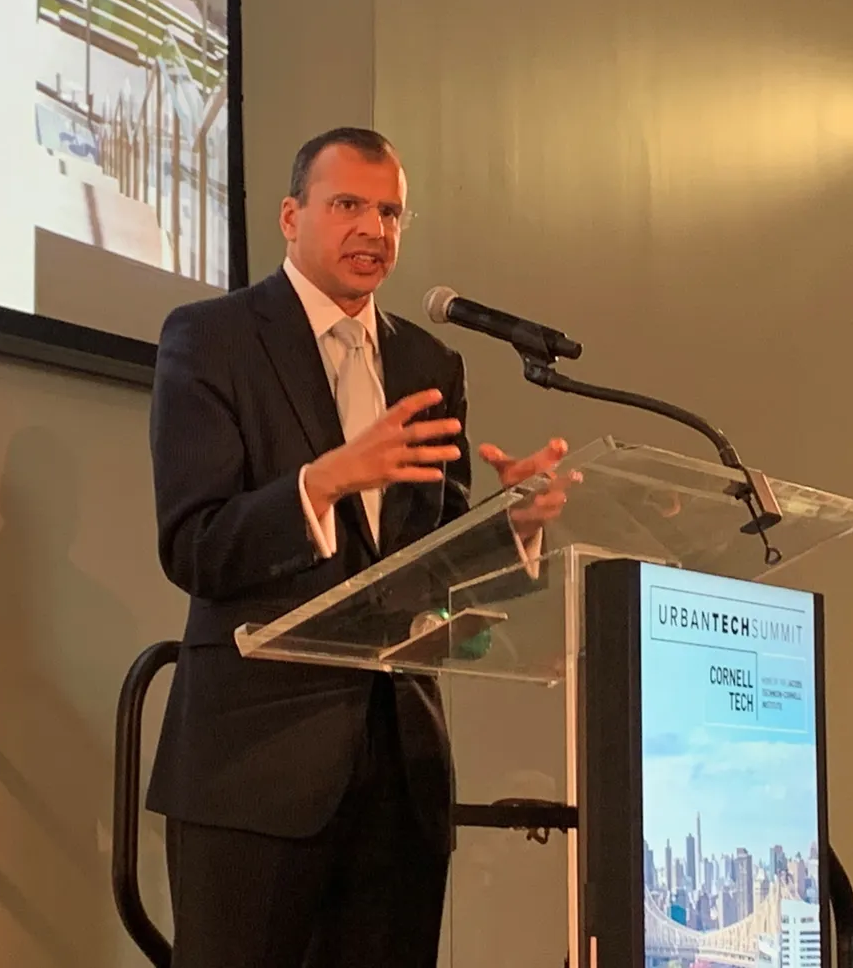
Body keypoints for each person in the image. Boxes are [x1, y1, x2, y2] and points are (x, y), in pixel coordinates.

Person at [145, 126, 569, 968]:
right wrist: (323, 482)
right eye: (348, 206)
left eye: (390, 212)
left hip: (400, 770)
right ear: (290, 217)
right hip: (256, 769)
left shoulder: (428, 361)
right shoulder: (211, 338)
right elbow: (194, 545)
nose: (373, 230)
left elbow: (428, 569)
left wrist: (508, 529)